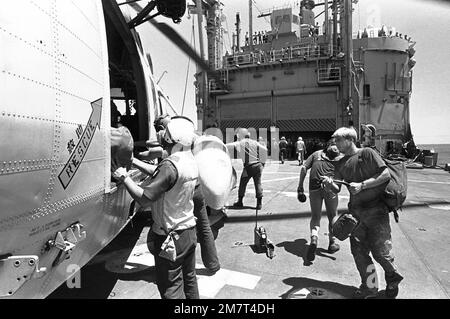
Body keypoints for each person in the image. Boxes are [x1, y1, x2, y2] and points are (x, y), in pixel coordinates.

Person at [112, 117, 200, 299]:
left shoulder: (170, 165)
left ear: (170, 139)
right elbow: (161, 175)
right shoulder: (190, 160)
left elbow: (144, 199)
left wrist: (124, 178)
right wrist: (134, 161)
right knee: (190, 280)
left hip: (170, 236)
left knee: (171, 289)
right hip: (189, 232)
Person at [322, 127, 404, 299]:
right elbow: (337, 188)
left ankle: (392, 276)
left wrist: (363, 185)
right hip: (356, 215)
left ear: (349, 139)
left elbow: (385, 175)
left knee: (381, 252)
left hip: (376, 212)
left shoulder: (366, 153)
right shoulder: (341, 162)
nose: (334, 143)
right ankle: (370, 287)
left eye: (337, 140)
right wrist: (330, 184)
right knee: (359, 253)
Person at [146, 115, 221, 275]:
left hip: (184, 186)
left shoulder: (174, 145)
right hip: (196, 184)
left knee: (167, 225)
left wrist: (133, 158)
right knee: (203, 225)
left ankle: (169, 262)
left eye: (162, 129)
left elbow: (152, 153)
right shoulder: (190, 137)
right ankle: (213, 264)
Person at [297, 139, 342, 262]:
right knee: (332, 215)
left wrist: (300, 186)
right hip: (330, 188)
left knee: (315, 217)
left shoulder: (316, 154)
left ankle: (314, 239)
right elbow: (339, 185)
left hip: (314, 187)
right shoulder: (340, 158)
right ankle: (332, 243)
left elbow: (303, 168)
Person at [227, 128, 267, 210]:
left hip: (248, 167)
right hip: (258, 165)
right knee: (258, 183)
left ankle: (240, 201)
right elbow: (265, 149)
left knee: (243, 183)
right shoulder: (255, 142)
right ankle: (259, 204)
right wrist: (263, 163)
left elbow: (228, 145)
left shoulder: (240, 142)